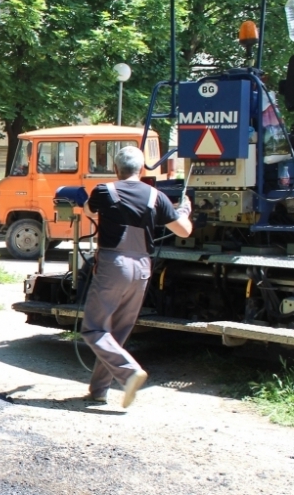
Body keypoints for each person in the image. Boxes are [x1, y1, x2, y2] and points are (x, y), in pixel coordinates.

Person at [81, 146, 192, 408]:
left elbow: (88, 210)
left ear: (115, 169)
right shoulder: (156, 196)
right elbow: (184, 231)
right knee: (116, 334)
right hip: (142, 268)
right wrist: (183, 211)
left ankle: (129, 373)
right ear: (142, 170)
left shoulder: (104, 191)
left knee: (94, 328)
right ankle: (98, 390)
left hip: (113, 266)